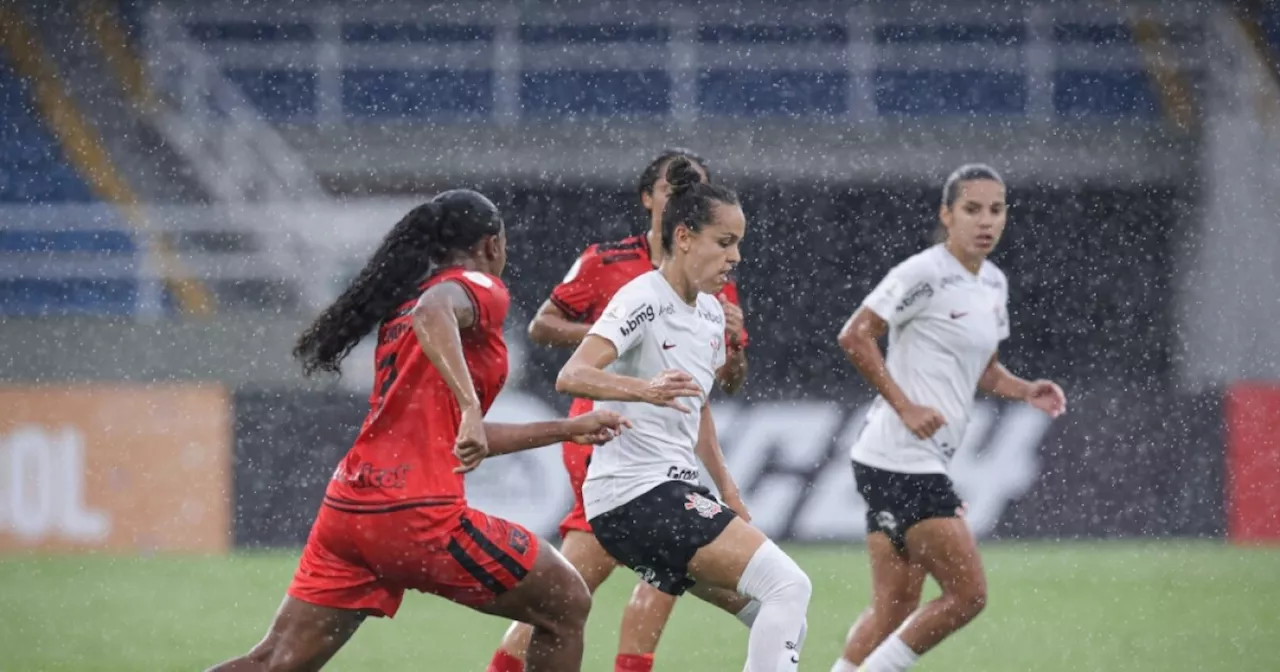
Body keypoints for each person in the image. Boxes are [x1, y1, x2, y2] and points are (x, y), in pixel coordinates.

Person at [207, 190, 632, 672]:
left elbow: (456, 437)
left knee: (271, 663)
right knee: (565, 601)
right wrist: (471, 404)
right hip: (415, 513)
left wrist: (567, 427)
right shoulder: (477, 286)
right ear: (492, 244)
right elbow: (437, 313)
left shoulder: (402, 309)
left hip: (350, 509)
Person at [487, 149, 756, 672]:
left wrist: (735, 343)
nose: (684, 194)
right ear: (648, 198)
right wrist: (622, 335)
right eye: (673, 185)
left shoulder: (713, 272)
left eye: (696, 186)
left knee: (660, 570)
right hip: (607, 432)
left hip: (672, 441)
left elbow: (727, 381)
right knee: (584, 575)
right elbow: (542, 326)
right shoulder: (607, 263)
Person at [556, 157, 812, 672]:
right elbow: (573, 374)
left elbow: (699, 409)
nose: (735, 256)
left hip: (669, 494)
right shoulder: (642, 298)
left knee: (776, 612)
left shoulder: (712, 312)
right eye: (724, 242)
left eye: (738, 243)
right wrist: (642, 389)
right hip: (637, 494)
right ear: (686, 237)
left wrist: (729, 491)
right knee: (788, 585)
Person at [829, 165, 1067, 672]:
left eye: (996, 209)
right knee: (967, 596)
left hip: (897, 460)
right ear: (947, 214)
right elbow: (855, 335)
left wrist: (1025, 389)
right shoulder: (924, 273)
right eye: (972, 209)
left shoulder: (993, 284)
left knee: (894, 607)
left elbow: (984, 370)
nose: (986, 221)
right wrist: (906, 406)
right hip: (901, 458)